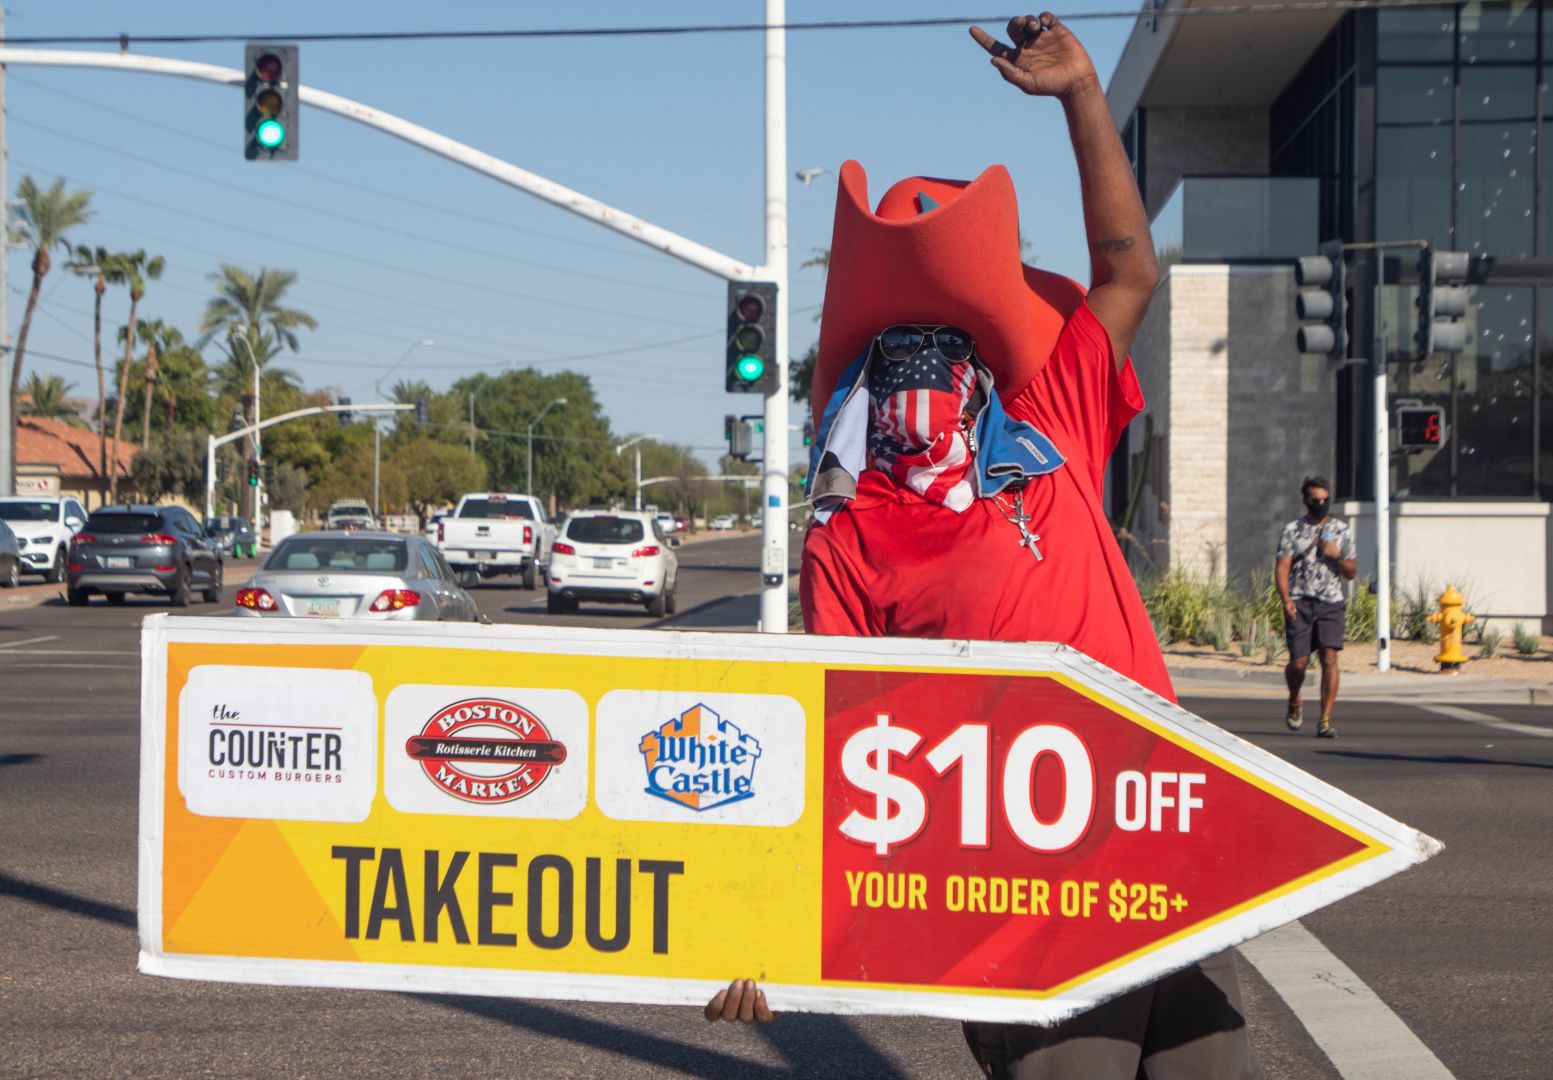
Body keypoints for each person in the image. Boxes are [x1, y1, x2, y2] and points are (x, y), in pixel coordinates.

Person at [704, 14, 1262, 1079]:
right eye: (893, 362)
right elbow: (837, 743)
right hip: (1016, 887)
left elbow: (1127, 274)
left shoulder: (1051, 437)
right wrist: (759, 926)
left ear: (980, 381)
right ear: (860, 392)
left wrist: (1081, 98)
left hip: (1153, 844)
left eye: (943, 358)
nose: (920, 383)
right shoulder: (850, 537)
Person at [1275, 476, 1358, 738]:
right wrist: (1286, 599)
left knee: (1330, 659)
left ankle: (1325, 720)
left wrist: (1336, 555)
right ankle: (1295, 698)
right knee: (1298, 663)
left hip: (1331, 602)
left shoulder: (1342, 531)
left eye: (1325, 500)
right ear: (1306, 501)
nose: (1321, 504)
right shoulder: (1292, 530)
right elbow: (1282, 567)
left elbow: (1352, 572)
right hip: (1300, 600)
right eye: (1316, 500)